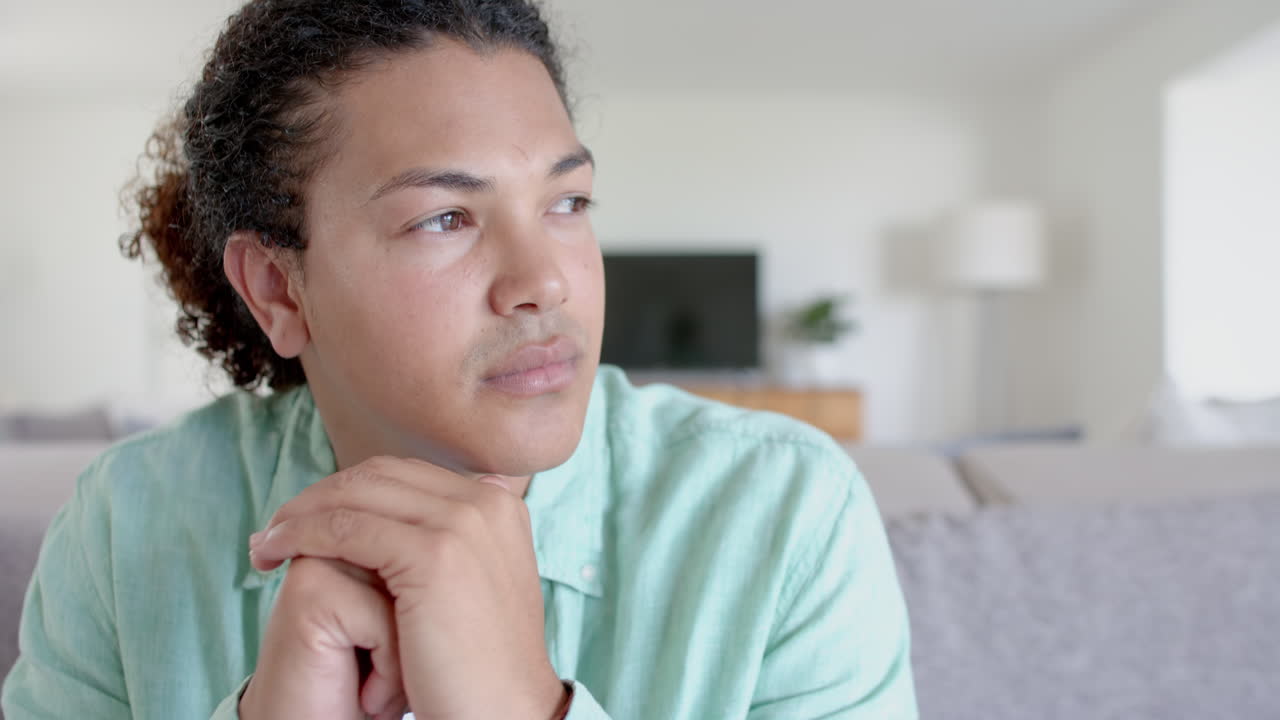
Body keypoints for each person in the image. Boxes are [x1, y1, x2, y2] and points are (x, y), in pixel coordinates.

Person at [0, 1, 918, 718]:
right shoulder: (124, 526)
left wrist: (526, 711)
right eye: (445, 217)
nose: (545, 282)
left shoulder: (787, 516)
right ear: (280, 289)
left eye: (568, 202)